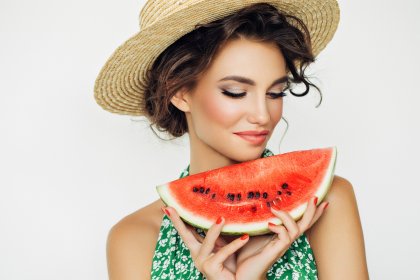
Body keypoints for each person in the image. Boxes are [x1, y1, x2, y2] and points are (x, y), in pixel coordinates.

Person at [94, 0, 369, 279]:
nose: (263, 115)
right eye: (236, 92)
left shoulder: (327, 202)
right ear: (179, 92)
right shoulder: (134, 238)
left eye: (275, 93)